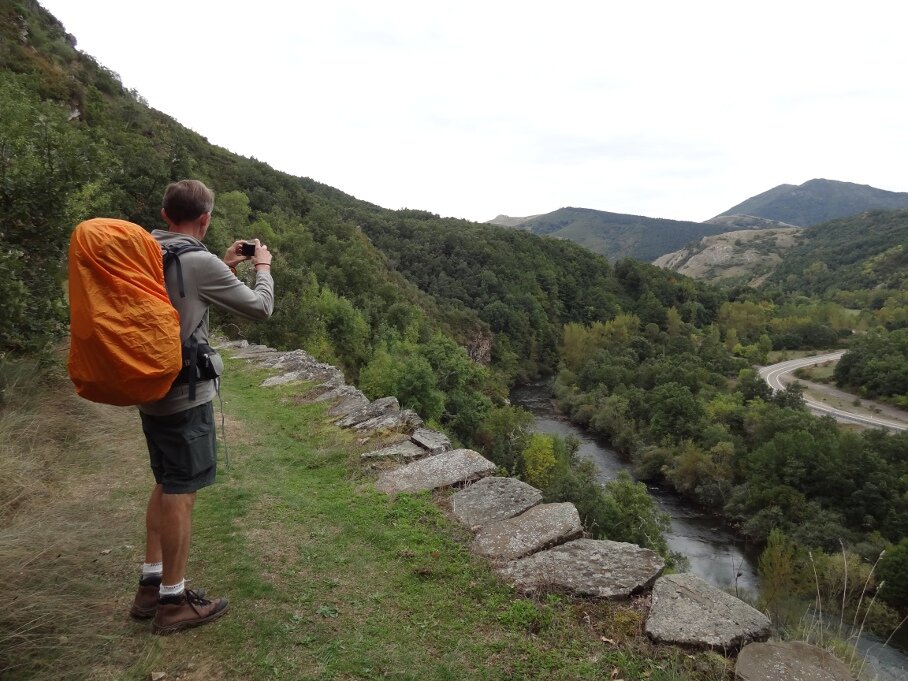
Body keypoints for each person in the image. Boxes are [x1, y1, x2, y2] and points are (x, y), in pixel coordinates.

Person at [129, 179, 275, 635]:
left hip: (148, 386)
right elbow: (260, 308)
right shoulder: (197, 261)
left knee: (165, 480)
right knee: (181, 489)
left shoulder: (146, 250)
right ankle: (173, 601)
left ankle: (151, 584)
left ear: (164, 214)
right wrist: (263, 268)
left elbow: (180, 296)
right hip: (183, 396)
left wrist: (223, 264)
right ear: (205, 219)